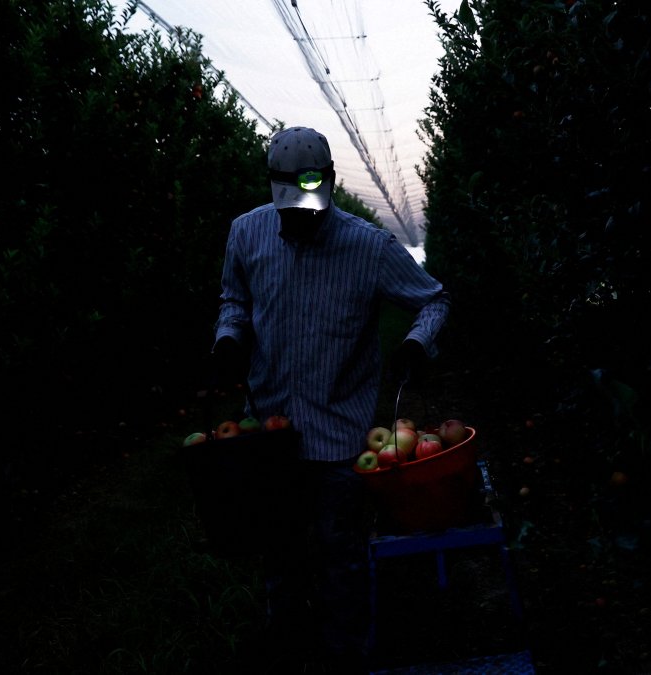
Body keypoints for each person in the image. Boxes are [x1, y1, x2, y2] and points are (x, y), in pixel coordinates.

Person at [210, 125, 450, 671]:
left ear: (332, 186)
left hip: (338, 439)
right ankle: (291, 649)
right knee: (280, 559)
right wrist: (229, 337)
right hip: (269, 434)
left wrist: (415, 342)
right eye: (290, 210)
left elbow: (435, 299)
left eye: (310, 208)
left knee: (341, 564)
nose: (301, 220)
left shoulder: (369, 248)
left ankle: (350, 657)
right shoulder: (247, 235)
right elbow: (235, 299)